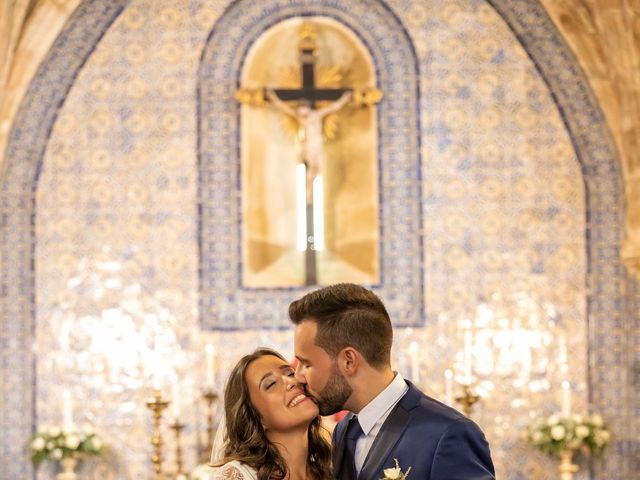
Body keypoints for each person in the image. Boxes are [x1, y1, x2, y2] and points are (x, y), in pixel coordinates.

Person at [289, 283, 496, 480]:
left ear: (349, 361)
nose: (298, 376)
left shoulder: (448, 435)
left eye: (306, 364)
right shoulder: (345, 430)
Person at [208, 348, 332, 480]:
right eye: (271, 384)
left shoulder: (333, 469)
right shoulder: (237, 476)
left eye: (290, 373)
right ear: (253, 416)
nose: (292, 382)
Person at [265, 89, 352, 202]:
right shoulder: (301, 118)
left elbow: (332, 108)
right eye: (300, 113)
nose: (302, 116)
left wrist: (344, 99)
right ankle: (308, 191)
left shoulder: (316, 116)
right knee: (312, 168)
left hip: (317, 145)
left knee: (321, 169)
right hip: (308, 147)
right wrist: (273, 97)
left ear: (308, 109)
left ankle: (320, 194)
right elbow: (284, 107)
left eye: (304, 112)